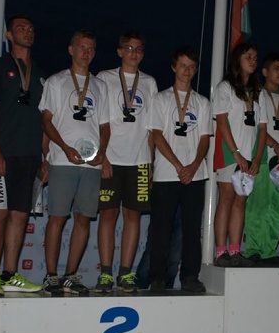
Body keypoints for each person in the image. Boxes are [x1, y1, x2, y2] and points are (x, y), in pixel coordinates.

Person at [39, 29, 110, 295]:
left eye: (91, 48)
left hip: (90, 164)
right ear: (71, 50)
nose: (86, 52)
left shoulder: (100, 86)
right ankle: (51, 276)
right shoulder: (56, 82)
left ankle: (70, 276)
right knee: (57, 218)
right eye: (81, 47)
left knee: (83, 219)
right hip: (63, 160)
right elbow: (46, 121)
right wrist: (64, 148)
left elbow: (104, 125)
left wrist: (102, 151)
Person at [0, 15, 46, 295]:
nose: (27, 32)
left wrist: (45, 157)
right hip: (4, 153)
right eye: (21, 28)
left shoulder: (40, 73)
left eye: (30, 28)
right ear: (8, 35)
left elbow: (44, 120)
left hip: (30, 156)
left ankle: (10, 273)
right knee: (0, 213)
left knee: (20, 215)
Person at [94, 31, 158, 293]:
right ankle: (105, 274)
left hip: (139, 161)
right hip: (111, 158)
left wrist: (151, 164)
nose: (134, 53)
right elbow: (97, 121)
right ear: (119, 51)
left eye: (138, 49)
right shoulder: (104, 78)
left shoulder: (150, 82)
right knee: (108, 215)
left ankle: (125, 274)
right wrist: (103, 157)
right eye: (129, 48)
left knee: (133, 217)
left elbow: (152, 128)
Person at [149, 46, 211, 293]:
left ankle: (190, 277)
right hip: (167, 173)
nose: (187, 70)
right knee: (161, 228)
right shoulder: (161, 99)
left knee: (192, 228)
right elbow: (156, 135)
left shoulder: (202, 102)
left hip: (196, 174)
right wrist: (178, 165)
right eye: (183, 65)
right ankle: (157, 278)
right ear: (174, 67)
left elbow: (205, 138)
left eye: (191, 67)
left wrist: (193, 166)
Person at [213, 42, 265, 267]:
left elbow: (262, 128)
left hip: (249, 154)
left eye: (255, 57)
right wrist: (236, 153)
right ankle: (220, 251)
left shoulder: (257, 92)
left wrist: (257, 158)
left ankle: (235, 250)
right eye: (248, 56)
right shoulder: (225, 87)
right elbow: (221, 121)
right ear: (237, 59)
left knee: (241, 201)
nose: (253, 60)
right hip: (229, 153)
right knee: (226, 199)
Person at [243, 53, 279, 266]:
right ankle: (254, 249)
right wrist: (276, 146)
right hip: (264, 156)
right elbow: (257, 127)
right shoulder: (256, 95)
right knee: (258, 204)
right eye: (276, 68)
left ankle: (269, 250)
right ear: (265, 72)